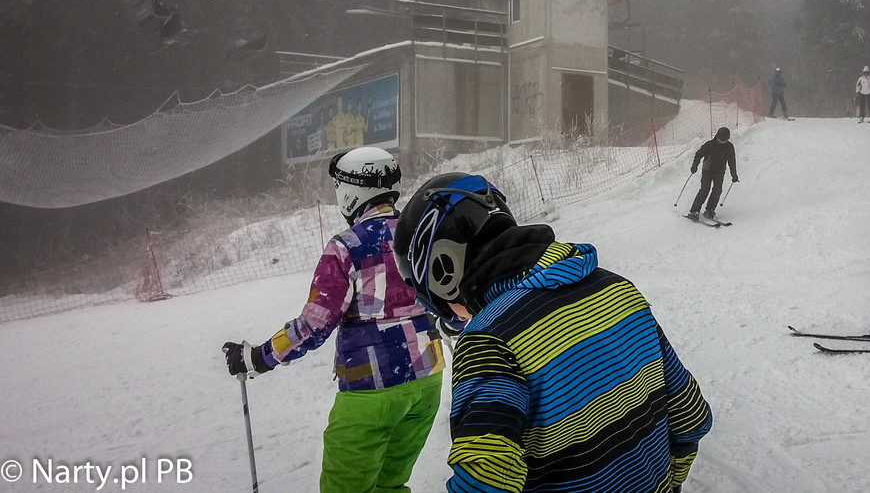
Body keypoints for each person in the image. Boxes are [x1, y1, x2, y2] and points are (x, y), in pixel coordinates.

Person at [394, 172, 713, 492]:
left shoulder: (488, 339)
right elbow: (691, 414)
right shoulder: (617, 289)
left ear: (443, 271)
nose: (456, 315)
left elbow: (486, 481)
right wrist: (671, 482)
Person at [221, 147, 445, 492]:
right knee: (390, 485)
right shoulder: (421, 233)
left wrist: (260, 356)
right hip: (428, 382)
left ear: (353, 190)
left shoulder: (347, 246)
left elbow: (315, 324)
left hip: (372, 391)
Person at [687, 126, 738, 222]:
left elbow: (732, 161)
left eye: (724, 141)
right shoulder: (710, 145)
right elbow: (698, 154)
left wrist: (734, 174)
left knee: (717, 190)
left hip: (720, 172)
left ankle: (710, 210)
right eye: (721, 140)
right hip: (708, 170)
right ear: (717, 136)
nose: (722, 142)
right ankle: (694, 211)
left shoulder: (729, 147)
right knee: (704, 190)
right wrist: (695, 165)